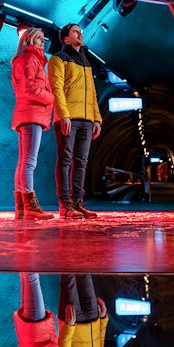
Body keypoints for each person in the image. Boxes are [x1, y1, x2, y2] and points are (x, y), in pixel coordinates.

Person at [49, 24, 103, 218]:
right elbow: (57, 89)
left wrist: (97, 119)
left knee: (81, 162)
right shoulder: (58, 59)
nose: (80, 33)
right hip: (69, 118)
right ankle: (65, 205)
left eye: (81, 31)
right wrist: (64, 115)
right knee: (65, 160)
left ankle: (78, 203)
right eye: (75, 31)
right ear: (65, 39)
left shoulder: (87, 63)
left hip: (87, 120)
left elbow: (93, 94)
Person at [11, 28, 55, 219]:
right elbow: (30, 89)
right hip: (31, 114)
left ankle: (21, 207)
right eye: (37, 38)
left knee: (23, 162)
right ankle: (30, 207)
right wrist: (51, 98)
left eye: (43, 38)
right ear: (28, 41)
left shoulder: (30, 60)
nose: (42, 41)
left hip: (27, 114)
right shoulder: (29, 59)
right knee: (29, 162)